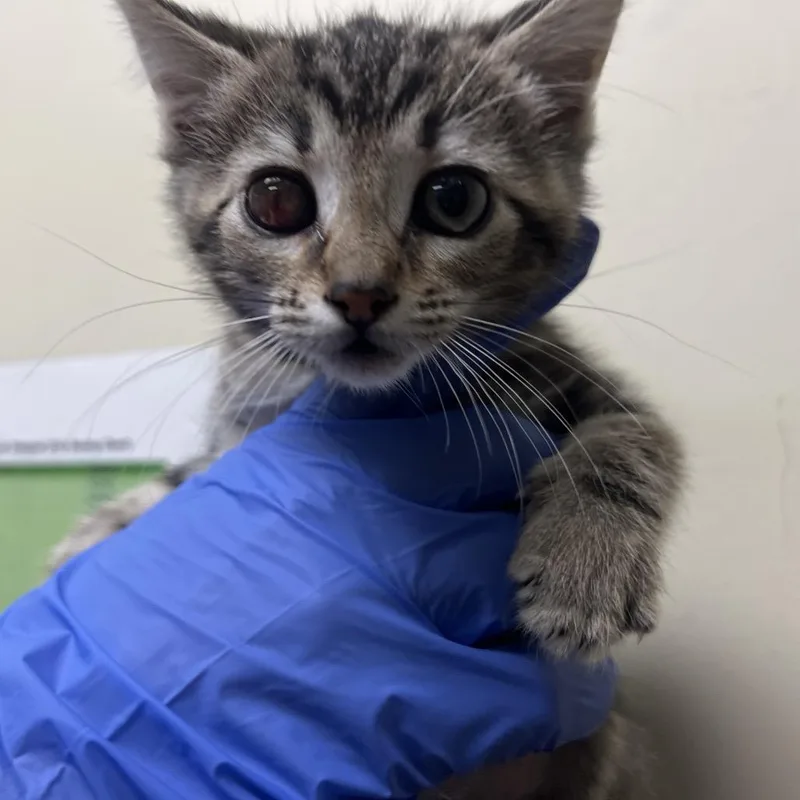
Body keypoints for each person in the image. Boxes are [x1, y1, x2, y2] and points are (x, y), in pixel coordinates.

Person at [0, 221, 616, 800]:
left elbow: (619, 425)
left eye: (451, 199)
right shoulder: (249, 357)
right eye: (280, 204)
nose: (360, 284)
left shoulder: (513, 349)